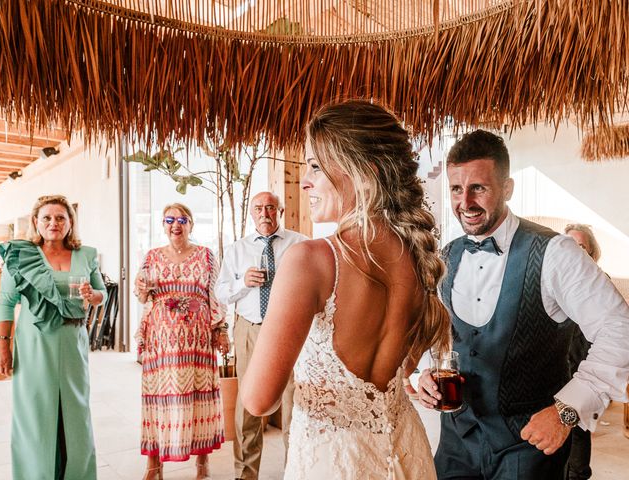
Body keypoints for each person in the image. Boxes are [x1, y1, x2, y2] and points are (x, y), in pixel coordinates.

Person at [240, 100, 450, 479]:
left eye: (316, 167)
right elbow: (405, 371)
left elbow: (258, 398)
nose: (305, 181)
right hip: (407, 456)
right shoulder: (420, 257)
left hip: (332, 462)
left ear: (364, 173)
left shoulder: (310, 260)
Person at [417, 130, 629, 479]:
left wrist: (566, 411)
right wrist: (424, 373)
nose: (465, 202)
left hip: (528, 447)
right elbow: (439, 333)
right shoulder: (447, 255)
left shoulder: (556, 253)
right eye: (456, 189)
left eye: (479, 188)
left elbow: (619, 331)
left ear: (508, 188)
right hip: (457, 444)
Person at [0, 194, 106, 479]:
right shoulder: (21, 256)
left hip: (72, 343)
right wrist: (1, 347)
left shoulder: (87, 255)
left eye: (60, 217)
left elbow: (100, 292)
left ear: (70, 223)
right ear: (36, 222)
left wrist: (93, 296)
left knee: (75, 411)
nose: (53, 223)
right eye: (47, 217)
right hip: (33, 344)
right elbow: (6, 302)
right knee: (35, 412)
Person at [215, 191, 308, 480]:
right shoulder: (236, 250)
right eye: (258, 208)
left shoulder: (300, 244)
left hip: (291, 330)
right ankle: (245, 474)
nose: (264, 213)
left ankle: (294, 471)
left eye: (270, 207)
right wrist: (243, 282)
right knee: (248, 402)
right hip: (250, 329)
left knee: (294, 402)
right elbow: (221, 292)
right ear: (252, 213)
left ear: (280, 211)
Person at [134, 202, 229, 480]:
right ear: (163, 225)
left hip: (197, 340)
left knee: (199, 398)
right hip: (161, 339)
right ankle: (154, 466)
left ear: (191, 224)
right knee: (157, 399)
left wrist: (220, 329)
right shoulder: (151, 257)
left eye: (182, 219)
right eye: (169, 220)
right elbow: (142, 296)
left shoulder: (206, 255)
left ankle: (202, 465)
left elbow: (215, 295)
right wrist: (140, 290)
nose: (176, 224)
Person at [563, 224, 601, 480]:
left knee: (576, 429)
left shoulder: (600, 285)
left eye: (581, 247)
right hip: (557, 372)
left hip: (583, 374)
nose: (574, 253)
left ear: (591, 252)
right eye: (569, 247)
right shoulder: (558, 283)